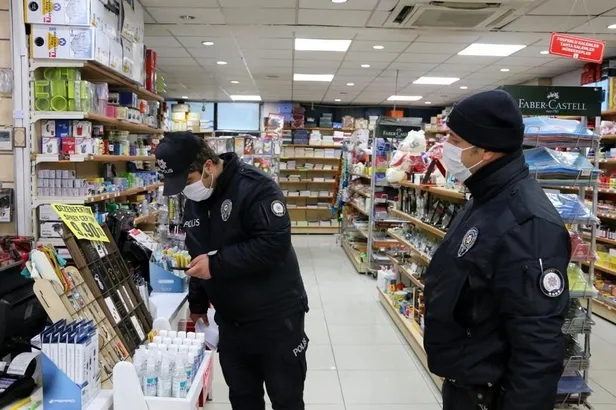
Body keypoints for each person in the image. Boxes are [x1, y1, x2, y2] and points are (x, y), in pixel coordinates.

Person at [423, 90, 570, 410]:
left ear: (486, 150)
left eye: (454, 140)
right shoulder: (485, 199)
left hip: (492, 397)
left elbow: (538, 347)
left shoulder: (527, 224)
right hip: (466, 388)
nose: (446, 147)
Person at [155, 132, 309, 410]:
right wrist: (198, 302)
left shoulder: (256, 187)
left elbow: (273, 244)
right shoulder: (195, 202)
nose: (185, 191)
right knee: (242, 398)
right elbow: (198, 254)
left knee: (286, 398)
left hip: (276, 317)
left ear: (208, 166)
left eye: (187, 181)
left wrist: (215, 264)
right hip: (231, 322)